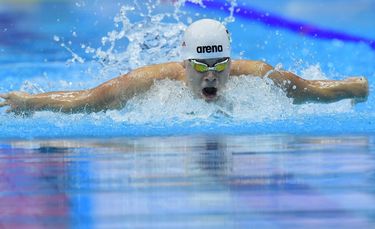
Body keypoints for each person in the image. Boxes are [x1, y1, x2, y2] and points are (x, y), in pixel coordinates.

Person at [0, 19, 369, 115]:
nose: (211, 75)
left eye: (220, 64)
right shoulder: (149, 81)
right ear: (184, 62)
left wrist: (355, 87)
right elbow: (88, 100)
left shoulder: (256, 74)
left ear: (231, 60)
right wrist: (31, 102)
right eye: (200, 66)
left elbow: (309, 91)